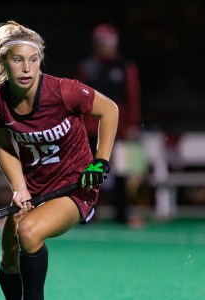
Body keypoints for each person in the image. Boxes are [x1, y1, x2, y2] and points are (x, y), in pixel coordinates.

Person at [0, 21, 118, 299]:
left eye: (33, 60)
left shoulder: (64, 91)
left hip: (74, 187)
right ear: (3, 61)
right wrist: (19, 187)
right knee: (10, 255)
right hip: (33, 189)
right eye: (18, 60)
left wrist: (100, 162)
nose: (27, 68)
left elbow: (109, 110)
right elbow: (4, 148)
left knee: (27, 232)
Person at [76, 23, 142, 225]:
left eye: (107, 42)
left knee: (123, 172)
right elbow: (78, 98)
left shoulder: (126, 67)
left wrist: (133, 124)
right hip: (91, 127)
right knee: (91, 168)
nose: (104, 46)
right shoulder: (87, 67)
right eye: (100, 42)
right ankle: (88, 211)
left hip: (120, 130)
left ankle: (122, 213)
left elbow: (132, 97)